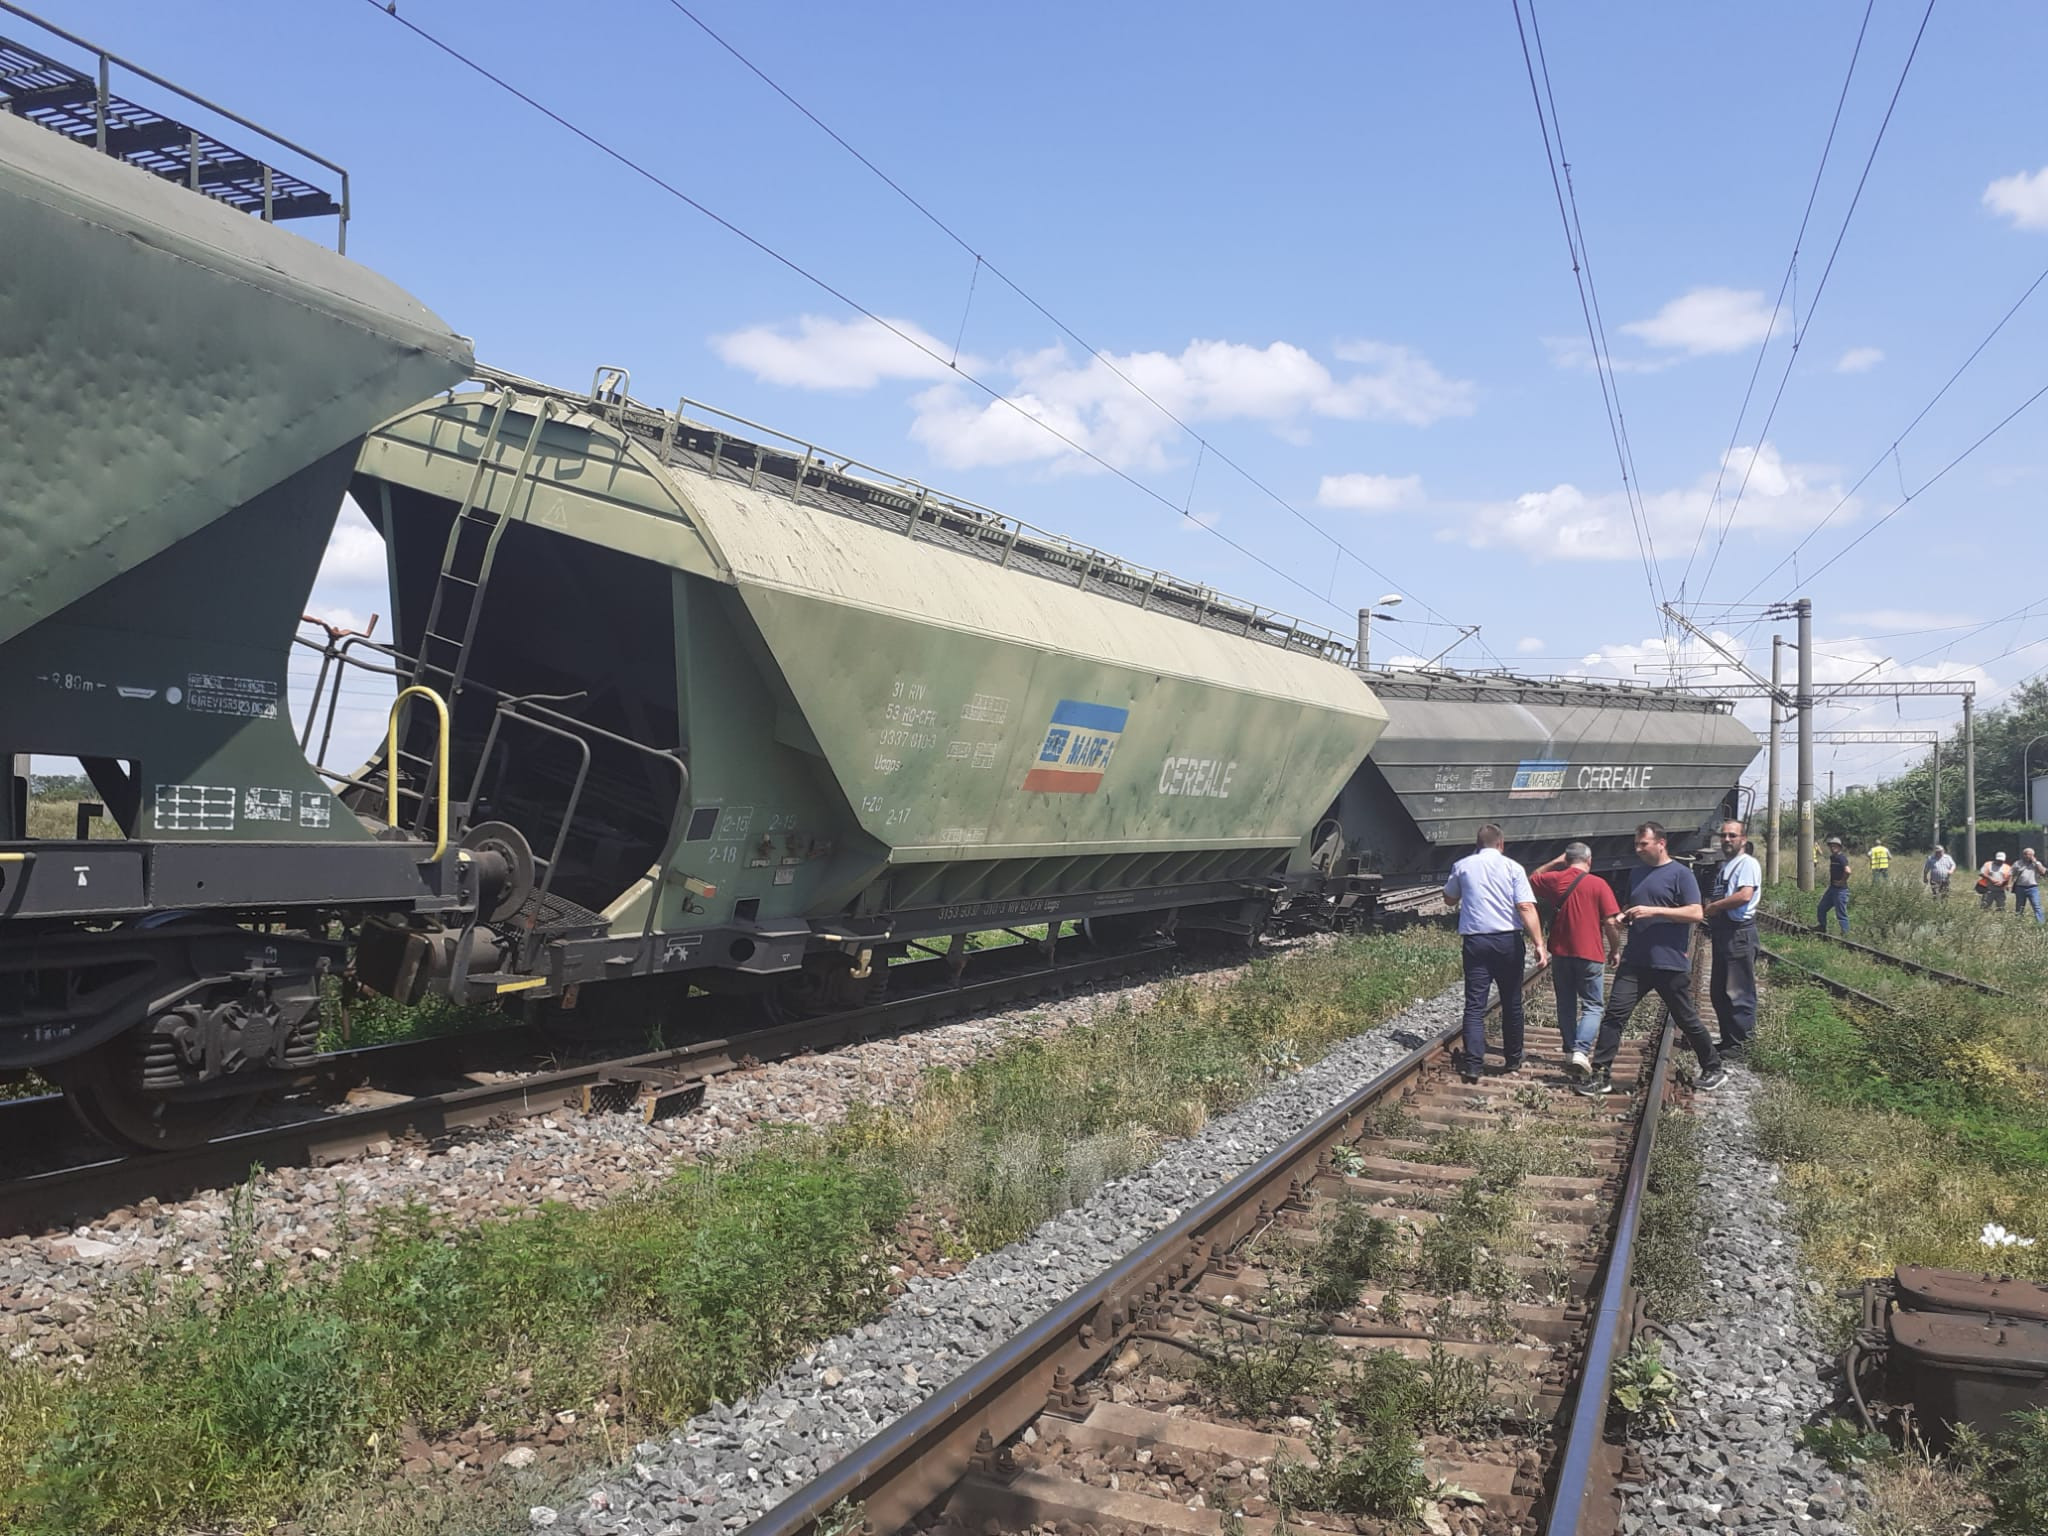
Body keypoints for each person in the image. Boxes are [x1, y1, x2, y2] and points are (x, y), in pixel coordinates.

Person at [1574, 821, 1724, 1097]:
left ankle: (1714, 1067)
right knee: (1614, 1016)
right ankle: (1601, 1074)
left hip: (1669, 962)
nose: (1638, 849)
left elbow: (1695, 913)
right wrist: (1623, 915)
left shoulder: (1681, 874)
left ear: (1661, 843)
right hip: (1636, 960)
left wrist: (1653, 912)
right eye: (1637, 844)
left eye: (1643, 843)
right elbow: (1635, 907)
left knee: (1686, 1019)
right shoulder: (1638, 872)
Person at [1442, 824, 1547, 1085]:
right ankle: (1512, 1058)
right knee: (1511, 1001)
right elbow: (1524, 906)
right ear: (1502, 844)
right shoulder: (1513, 868)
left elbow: (1449, 899)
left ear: (1477, 844)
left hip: (1476, 942)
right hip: (1507, 942)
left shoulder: (1462, 865)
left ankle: (1474, 1065)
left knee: (1475, 1006)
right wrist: (1539, 943)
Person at [1530, 842, 1621, 1080]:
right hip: (1590, 954)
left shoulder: (1555, 880)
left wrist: (1555, 862)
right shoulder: (1599, 884)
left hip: (1561, 954)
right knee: (1593, 1006)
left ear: (1567, 860)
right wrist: (1615, 949)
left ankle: (1570, 1049)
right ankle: (1581, 1050)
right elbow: (1611, 923)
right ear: (1589, 861)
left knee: (1566, 1003)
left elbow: (1532, 878)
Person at [1703, 819, 1761, 1052]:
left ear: (1743, 839)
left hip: (1738, 933)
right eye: (1724, 835)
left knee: (1738, 993)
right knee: (1720, 991)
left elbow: (1745, 895)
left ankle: (1740, 1046)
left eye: (1732, 836)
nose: (1727, 840)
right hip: (1725, 933)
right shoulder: (1727, 865)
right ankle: (1728, 1040)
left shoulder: (1747, 863)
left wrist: (1715, 907)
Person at [1818, 836, 1851, 935]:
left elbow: (1848, 871)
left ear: (1840, 847)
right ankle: (1822, 926)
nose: (1833, 848)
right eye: (1831, 846)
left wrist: (1842, 881)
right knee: (1821, 908)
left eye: (1835, 846)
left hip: (1840, 890)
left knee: (1841, 914)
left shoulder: (1841, 858)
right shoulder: (1833, 857)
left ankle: (1845, 934)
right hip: (1832, 889)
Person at [2014, 849, 2044, 924]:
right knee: (2019, 907)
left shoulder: (2037, 863)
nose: (2028, 856)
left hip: (2033, 888)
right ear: (2023, 855)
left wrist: (2035, 862)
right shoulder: (2018, 863)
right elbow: (2011, 873)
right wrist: (2009, 884)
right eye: (2026, 854)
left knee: (2036, 906)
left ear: (2033, 855)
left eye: (2030, 854)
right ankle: (2018, 923)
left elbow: (2042, 872)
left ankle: (2041, 923)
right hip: (2020, 887)